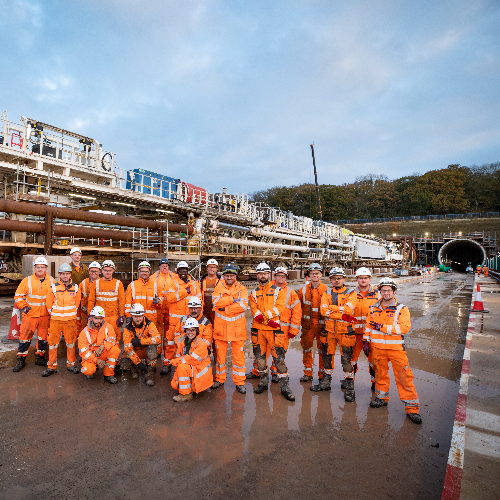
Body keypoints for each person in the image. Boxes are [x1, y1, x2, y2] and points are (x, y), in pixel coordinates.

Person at [363, 277, 422, 424]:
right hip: (377, 349)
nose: (386, 293)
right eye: (383, 290)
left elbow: (404, 328)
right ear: (380, 291)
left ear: (394, 291)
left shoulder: (401, 309)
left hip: (396, 350)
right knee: (380, 376)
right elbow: (368, 326)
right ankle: (381, 398)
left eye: (389, 290)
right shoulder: (373, 308)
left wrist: (381, 327)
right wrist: (365, 340)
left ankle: (412, 408)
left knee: (404, 378)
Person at [246, 266, 301, 382]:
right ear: (274, 276)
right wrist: (266, 320)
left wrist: (294, 329)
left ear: (286, 277)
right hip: (265, 326)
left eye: (283, 276)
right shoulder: (265, 288)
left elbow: (296, 312)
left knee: (279, 354)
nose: (280, 278)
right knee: (261, 352)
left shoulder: (290, 292)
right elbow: (258, 309)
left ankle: (276, 373)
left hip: (283, 329)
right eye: (278, 275)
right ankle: (257, 371)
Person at [314, 267, 358, 402]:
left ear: (344, 279)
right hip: (329, 332)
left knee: (347, 360)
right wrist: (341, 314)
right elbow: (323, 310)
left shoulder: (351, 292)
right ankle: (326, 383)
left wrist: (331, 310)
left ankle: (350, 388)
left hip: (346, 332)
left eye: (339, 278)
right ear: (330, 280)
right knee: (327, 358)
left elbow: (349, 310)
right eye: (334, 278)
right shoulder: (327, 292)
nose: (337, 280)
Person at [211, 263, 249, 394]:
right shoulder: (218, 288)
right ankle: (219, 379)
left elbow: (243, 306)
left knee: (238, 358)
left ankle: (239, 382)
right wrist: (233, 299)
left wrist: (224, 308)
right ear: (223, 276)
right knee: (220, 357)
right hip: (221, 329)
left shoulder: (242, 289)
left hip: (237, 330)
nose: (229, 278)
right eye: (227, 275)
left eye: (231, 275)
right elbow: (215, 303)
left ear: (235, 276)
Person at [12, 256, 54, 372]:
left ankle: (40, 358)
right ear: (34, 268)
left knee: (43, 338)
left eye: (42, 267)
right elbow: (18, 296)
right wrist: (24, 306)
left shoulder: (52, 281)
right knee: (25, 338)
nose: (40, 269)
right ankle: (21, 360)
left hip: (45, 316)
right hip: (30, 315)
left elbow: (56, 297)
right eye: (38, 267)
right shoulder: (27, 280)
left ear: (46, 268)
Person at [161, 261, 202, 375]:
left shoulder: (194, 284)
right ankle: (167, 364)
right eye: (180, 270)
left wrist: (199, 317)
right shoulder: (172, 283)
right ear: (177, 271)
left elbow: (199, 301)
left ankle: (185, 364)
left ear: (188, 271)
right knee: (170, 344)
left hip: (189, 323)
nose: (183, 272)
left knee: (187, 345)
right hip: (175, 322)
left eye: (185, 270)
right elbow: (170, 298)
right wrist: (185, 292)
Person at [43, 263, 81, 377]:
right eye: (63, 274)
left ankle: (71, 365)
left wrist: (69, 314)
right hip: (56, 321)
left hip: (70, 321)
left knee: (71, 344)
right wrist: (56, 314)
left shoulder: (76, 288)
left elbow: (77, 304)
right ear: (59, 274)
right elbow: (49, 305)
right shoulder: (53, 288)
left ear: (70, 274)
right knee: (53, 344)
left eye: (67, 274)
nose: (65, 276)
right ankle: (52, 367)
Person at [349, 267, 379, 391]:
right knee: (352, 360)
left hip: (371, 334)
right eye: (361, 278)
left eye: (365, 278)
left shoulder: (378, 294)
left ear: (370, 279)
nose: (363, 280)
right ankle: (350, 382)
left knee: (374, 360)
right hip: (354, 334)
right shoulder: (351, 294)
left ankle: (375, 382)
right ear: (357, 279)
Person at [171, 317, 213, 402]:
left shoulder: (201, 344)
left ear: (197, 331)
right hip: (191, 369)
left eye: (193, 330)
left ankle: (186, 395)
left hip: (200, 373)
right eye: (188, 330)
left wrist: (175, 362)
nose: (190, 333)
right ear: (185, 331)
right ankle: (187, 387)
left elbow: (191, 360)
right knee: (174, 385)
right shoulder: (181, 342)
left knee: (182, 367)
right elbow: (179, 359)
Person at [298, 263, 328, 382]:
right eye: (312, 273)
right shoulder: (303, 290)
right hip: (307, 326)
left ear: (321, 274)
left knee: (323, 350)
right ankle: (308, 372)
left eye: (317, 273)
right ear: (309, 275)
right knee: (307, 349)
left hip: (322, 326)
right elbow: (297, 308)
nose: (314, 275)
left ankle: (322, 374)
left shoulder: (327, 290)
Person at [78, 306, 121, 384]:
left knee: (115, 349)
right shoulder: (84, 333)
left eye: (101, 318)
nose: (99, 321)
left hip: (103, 352)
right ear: (91, 318)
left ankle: (108, 375)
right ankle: (89, 366)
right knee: (88, 371)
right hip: (91, 355)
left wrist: (103, 346)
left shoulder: (108, 327)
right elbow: (83, 352)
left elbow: (113, 340)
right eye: (96, 318)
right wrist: (96, 360)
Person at [121, 303, 161, 386]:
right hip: (135, 351)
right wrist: (138, 363)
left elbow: (158, 339)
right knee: (124, 362)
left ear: (143, 315)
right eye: (135, 316)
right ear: (131, 316)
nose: (138, 318)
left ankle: (149, 372)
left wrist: (141, 341)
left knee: (153, 350)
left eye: (139, 316)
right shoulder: (127, 328)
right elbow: (128, 348)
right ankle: (134, 367)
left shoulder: (150, 324)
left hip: (145, 350)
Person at [88, 260, 126, 341]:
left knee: (115, 338)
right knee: (99, 338)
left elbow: (122, 301)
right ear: (102, 270)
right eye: (105, 270)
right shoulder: (96, 283)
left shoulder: (118, 283)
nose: (107, 272)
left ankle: (115, 353)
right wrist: (89, 314)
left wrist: (121, 315)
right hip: (99, 317)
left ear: (113, 270)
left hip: (114, 317)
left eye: (109, 270)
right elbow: (91, 300)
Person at [125, 260, 162, 324]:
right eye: (142, 271)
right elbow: (127, 303)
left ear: (149, 272)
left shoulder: (155, 285)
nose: (144, 273)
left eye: (146, 271)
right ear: (139, 271)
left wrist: (159, 301)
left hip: (151, 319)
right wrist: (128, 316)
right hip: (137, 319)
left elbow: (162, 298)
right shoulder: (132, 285)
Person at [153, 257, 173, 341]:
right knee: (157, 330)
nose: (164, 267)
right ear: (159, 267)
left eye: (166, 265)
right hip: (158, 308)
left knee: (168, 331)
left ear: (168, 267)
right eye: (162, 265)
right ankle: (157, 352)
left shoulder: (173, 276)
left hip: (170, 309)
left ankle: (167, 351)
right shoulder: (154, 277)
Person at [77, 261, 101, 333]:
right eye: (92, 271)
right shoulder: (83, 283)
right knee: (85, 332)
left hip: (98, 314)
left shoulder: (102, 283)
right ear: (89, 271)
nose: (94, 272)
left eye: (96, 271)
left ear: (99, 271)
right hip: (85, 314)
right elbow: (78, 298)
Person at [200, 258, 220, 324]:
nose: (212, 269)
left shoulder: (221, 281)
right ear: (207, 268)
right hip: (204, 313)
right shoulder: (201, 281)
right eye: (210, 267)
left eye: (214, 267)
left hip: (217, 313)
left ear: (217, 269)